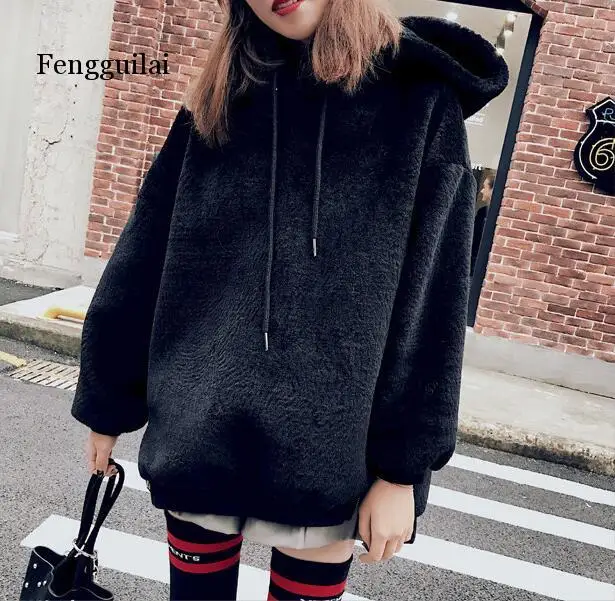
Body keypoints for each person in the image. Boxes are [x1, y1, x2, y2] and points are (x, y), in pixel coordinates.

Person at [71, 1, 509, 599]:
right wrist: (108, 402)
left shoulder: (422, 104)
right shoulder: (220, 98)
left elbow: (433, 307)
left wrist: (401, 472)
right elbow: (144, 257)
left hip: (331, 457)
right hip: (201, 434)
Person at [471, 173, 494, 276]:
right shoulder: (482, 211)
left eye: (485, 187)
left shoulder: (492, 214)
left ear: (492, 190)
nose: (482, 191)